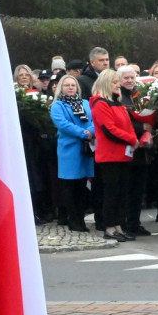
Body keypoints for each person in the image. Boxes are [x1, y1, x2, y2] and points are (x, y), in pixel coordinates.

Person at [89, 69, 138, 242]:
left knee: (122, 192)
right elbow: (109, 130)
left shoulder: (117, 103)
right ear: (106, 83)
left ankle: (118, 226)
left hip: (122, 154)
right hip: (109, 155)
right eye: (115, 82)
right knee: (111, 193)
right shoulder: (100, 103)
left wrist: (133, 139)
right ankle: (109, 227)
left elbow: (127, 124)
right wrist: (132, 139)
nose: (118, 85)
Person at [51, 75, 95, 232]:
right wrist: (83, 133)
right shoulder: (58, 106)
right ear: (61, 88)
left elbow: (94, 120)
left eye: (73, 85)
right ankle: (73, 219)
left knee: (82, 186)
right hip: (69, 150)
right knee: (70, 187)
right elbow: (63, 124)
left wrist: (90, 131)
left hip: (86, 149)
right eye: (67, 85)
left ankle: (80, 219)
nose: (70, 87)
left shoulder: (85, 103)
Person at [117, 65, 154, 237]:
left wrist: (151, 128)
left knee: (139, 190)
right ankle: (124, 224)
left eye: (132, 77)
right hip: (126, 149)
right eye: (126, 78)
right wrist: (142, 127)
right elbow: (121, 123)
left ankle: (134, 222)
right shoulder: (117, 98)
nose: (130, 81)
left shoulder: (140, 95)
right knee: (126, 190)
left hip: (142, 150)